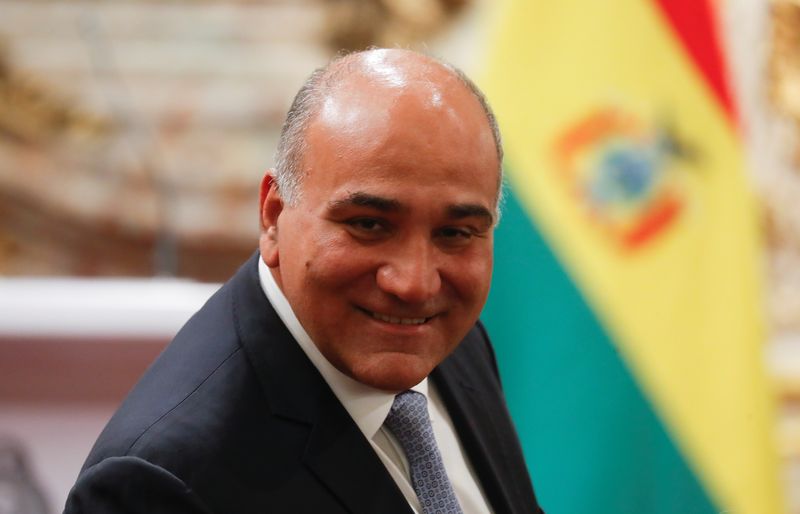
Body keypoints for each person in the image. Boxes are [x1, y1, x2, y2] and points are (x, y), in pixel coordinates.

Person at [64, 48, 544, 514]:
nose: (415, 284)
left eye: (455, 233)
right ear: (274, 215)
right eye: (369, 224)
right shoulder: (158, 483)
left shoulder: (447, 336)